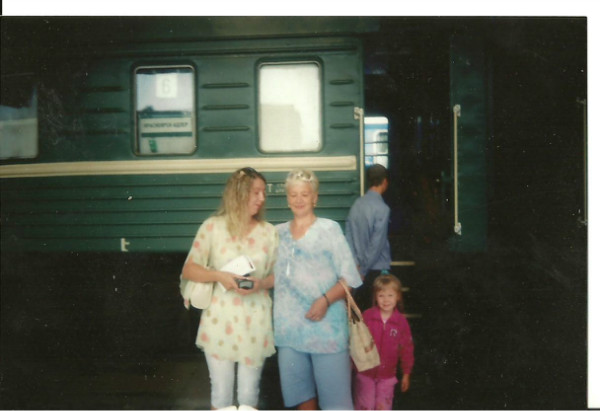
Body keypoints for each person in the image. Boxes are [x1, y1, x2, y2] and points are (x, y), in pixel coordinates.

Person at [179, 167, 278, 410]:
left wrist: (261, 283)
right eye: (256, 192)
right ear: (239, 193)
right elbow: (189, 269)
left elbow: (277, 276)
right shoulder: (212, 227)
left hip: (255, 322)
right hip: (219, 321)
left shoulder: (269, 232)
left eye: (263, 193)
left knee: (249, 396)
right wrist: (218, 276)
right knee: (221, 396)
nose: (261, 198)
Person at [273, 169, 362, 410]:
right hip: (289, 332)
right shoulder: (277, 233)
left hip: (327, 332)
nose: (299, 199)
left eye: (305, 194)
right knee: (302, 398)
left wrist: (325, 300)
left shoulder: (329, 229)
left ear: (315, 198)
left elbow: (350, 277)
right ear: (287, 198)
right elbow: (275, 277)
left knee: (336, 403)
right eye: (293, 195)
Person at [353, 274, 414, 410]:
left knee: (383, 406)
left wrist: (406, 373)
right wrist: (351, 366)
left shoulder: (401, 322)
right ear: (375, 297)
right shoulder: (367, 316)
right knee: (364, 406)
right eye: (381, 295)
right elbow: (356, 342)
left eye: (390, 295)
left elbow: (407, 349)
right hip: (365, 373)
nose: (386, 300)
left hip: (387, 376)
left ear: (398, 296)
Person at [345, 164, 392, 311]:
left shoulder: (356, 205)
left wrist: (356, 266)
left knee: (362, 313)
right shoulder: (383, 209)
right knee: (378, 315)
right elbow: (376, 244)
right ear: (385, 182)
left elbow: (349, 237)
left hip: (357, 269)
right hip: (375, 271)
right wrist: (364, 271)